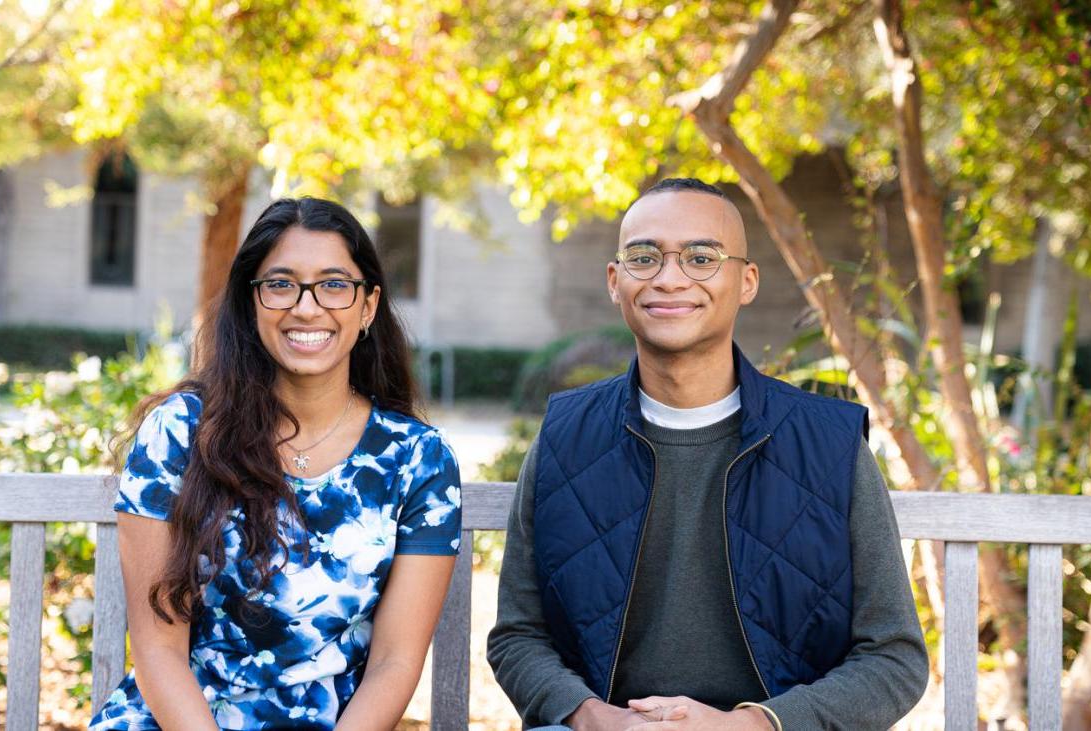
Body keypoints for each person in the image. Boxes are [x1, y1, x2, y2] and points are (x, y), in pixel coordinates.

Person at [487, 178, 928, 730]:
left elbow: (894, 658)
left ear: (746, 282)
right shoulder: (565, 436)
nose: (670, 278)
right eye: (644, 257)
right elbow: (519, 636)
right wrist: (593, 717)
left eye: (701, 257)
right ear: (614, 280)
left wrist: (748, 725)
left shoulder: (830, 446)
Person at [91, 197, 463, 730]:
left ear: (368, 306)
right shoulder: (180, 432)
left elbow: (393, 662)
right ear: (252, 303)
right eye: (281, 283)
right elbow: (158, 649)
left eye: (334, 284)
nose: (306, 307)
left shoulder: (417, 461)